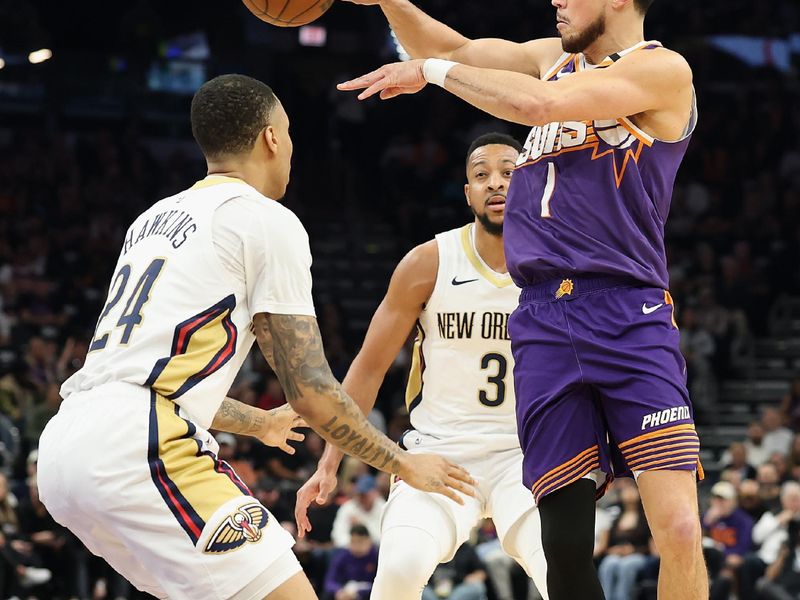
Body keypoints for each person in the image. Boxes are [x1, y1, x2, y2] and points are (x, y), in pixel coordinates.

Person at [35, 74, 473, 600]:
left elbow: (149, 375)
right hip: (138, 447)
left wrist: (259, 422)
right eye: (288, 133)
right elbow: (309, 388)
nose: (291, 147)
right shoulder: (265, 220)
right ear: (270, 137)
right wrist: (403, 463)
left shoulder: (151, 219)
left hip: (68, 446)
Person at [336, 0, 706, 597]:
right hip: (540, 319)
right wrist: (390, 2)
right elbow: (452, 49)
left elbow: (535, 106)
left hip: (625, 312)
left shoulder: (663, 71)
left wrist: (428, 74)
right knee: (560, 544)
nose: (556, 0)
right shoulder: (548, 59)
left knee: (682, 528)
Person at [296, 134, 548, 600]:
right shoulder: (428, 262)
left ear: (533, 179)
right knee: (400, 569)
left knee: (564, 574)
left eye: (510, 172)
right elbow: (369, 370)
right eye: (480, 174)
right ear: (467, 191)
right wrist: (329, 463)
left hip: (526, 455)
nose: (495, 183)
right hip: (439, 451)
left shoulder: (561, 264)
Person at [323, 524, 378, 600]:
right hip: (344, 593)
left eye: (360, 541)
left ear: (369, 541)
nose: (357, 546)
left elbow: (382, 584)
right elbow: (329, 581)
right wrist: (339, 591)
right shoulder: (342, 556)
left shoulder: (377, 557)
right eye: (353, 542)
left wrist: (359, 593)